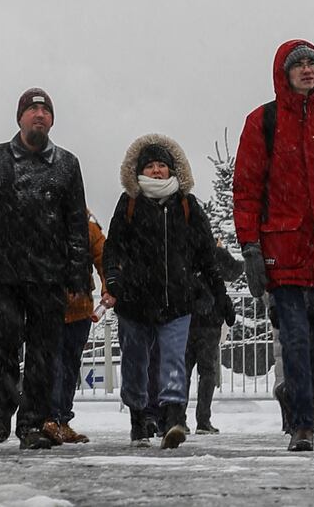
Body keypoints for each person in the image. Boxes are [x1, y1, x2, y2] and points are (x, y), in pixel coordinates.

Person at [232, 40, 314, 452]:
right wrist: (251, 245)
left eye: (313, 64)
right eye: (299, 65)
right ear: (284, 73)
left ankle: (294, 391)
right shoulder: (263, 121)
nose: (307, 70)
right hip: (283, 246)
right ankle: (303, 425)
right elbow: (246, 188)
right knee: (293, 337)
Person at [0, 88, 90, 450]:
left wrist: (78, 274)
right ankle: (4, 407)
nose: (39, 115)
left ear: (51, 120)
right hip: (6, 273)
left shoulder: (67, 164)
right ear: (19, 118)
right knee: (3, 346)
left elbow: (76, 223)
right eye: (32, 109)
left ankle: (31, 423)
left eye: (45, 110)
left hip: (49, 275)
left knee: (42, 354)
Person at [103, 134, 232, 450]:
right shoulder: (130, 204)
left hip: (176, 301)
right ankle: (139, 416)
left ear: (173, 170)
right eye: (150, 165)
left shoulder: (186, 206)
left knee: (174, 361)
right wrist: (115, 281)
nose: (157, 171)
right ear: (139, 171)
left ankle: (174, 418)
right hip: (134, 302)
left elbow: (206, 254)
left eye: (162, 165)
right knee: (135, 362)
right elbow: (113, 248)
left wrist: (220, 294)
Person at [52, 212, 106, 444]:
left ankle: (59, 419)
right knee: (58, 365)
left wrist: (109, 286)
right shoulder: (86, 228)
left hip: (76, 308)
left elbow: (105, 258)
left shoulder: (88, 229)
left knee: (66, 366)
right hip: (56, 308)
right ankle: (54, 418)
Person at [186, 239, 246, 435]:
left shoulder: (187, 253)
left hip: (187, 321)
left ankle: (176, 418)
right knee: (208, 373)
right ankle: (203, 420)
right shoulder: (215, 254)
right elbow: (237, 270)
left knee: (182, 372)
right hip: (210, 324)